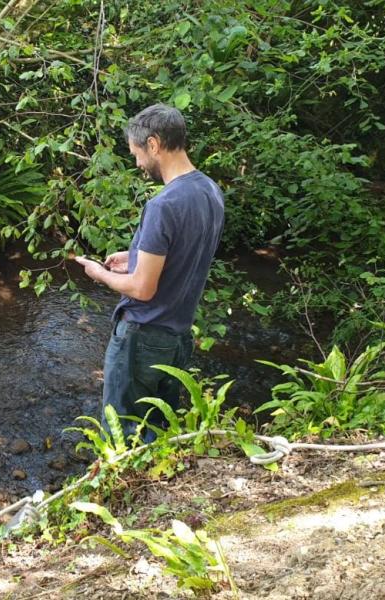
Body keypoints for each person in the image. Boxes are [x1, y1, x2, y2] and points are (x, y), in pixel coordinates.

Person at [75, 104, 224, 440]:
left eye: (137, 153)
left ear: (154, 144)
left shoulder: (163, 205)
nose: (138, 163)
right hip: (177, 338)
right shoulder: (210, 192)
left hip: (142, 337)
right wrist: (132, 256)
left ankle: (120, 489)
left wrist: (99, 274)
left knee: (121, 432)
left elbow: (142, 289)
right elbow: (184, 254)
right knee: (157, 428)